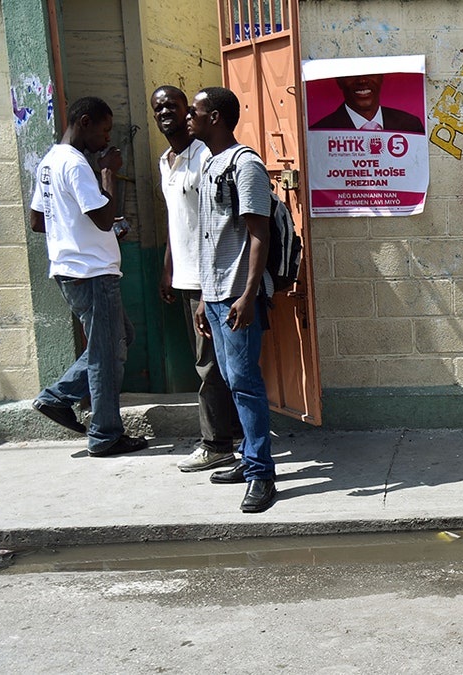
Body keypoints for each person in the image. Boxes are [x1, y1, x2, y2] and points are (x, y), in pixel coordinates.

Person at [29, 96, 147, 457]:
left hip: (74, 269)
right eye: (104, 130)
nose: (107, 139)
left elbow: (38, 221)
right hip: (91, 273)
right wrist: (108, 172)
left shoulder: (49, 162)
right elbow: (101, 216)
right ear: (84, 122)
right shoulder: (77, 164)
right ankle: (105, 434)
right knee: (106, 355)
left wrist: (82, 230)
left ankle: (57, 398)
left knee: (119, 338)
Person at [186, 86, 277, 513]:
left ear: (216, 117)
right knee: (230, 379)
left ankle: (261, 474)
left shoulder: (246, 166)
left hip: (240, 296)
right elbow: (210, 239)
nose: (188, 116)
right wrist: (206, 296)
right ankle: (247, 461)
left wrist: (248, 294)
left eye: (196, 111)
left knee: (245, 383)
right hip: (217, 295)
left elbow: (259, 232)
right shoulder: (209, 164)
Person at [151, 84, 242, 472]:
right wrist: (169, 269)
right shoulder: (164, 160)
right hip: (186, 276)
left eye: (173, 105)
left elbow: (214, 222)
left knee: (211, 366)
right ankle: (229, 435)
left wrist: (207, 283)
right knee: (209, 364)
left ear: (189, 110)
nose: (166, 112)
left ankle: (216, 443)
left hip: (212, 278)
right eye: (158, 108)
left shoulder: (205, 154)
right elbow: (179, 223)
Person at [309, 73, 424, 133]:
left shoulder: (410, 125)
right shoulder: (321, 130)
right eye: (352, 73)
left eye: (370, 72)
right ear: (339, 80)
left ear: (381, 77)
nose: (362, 80)